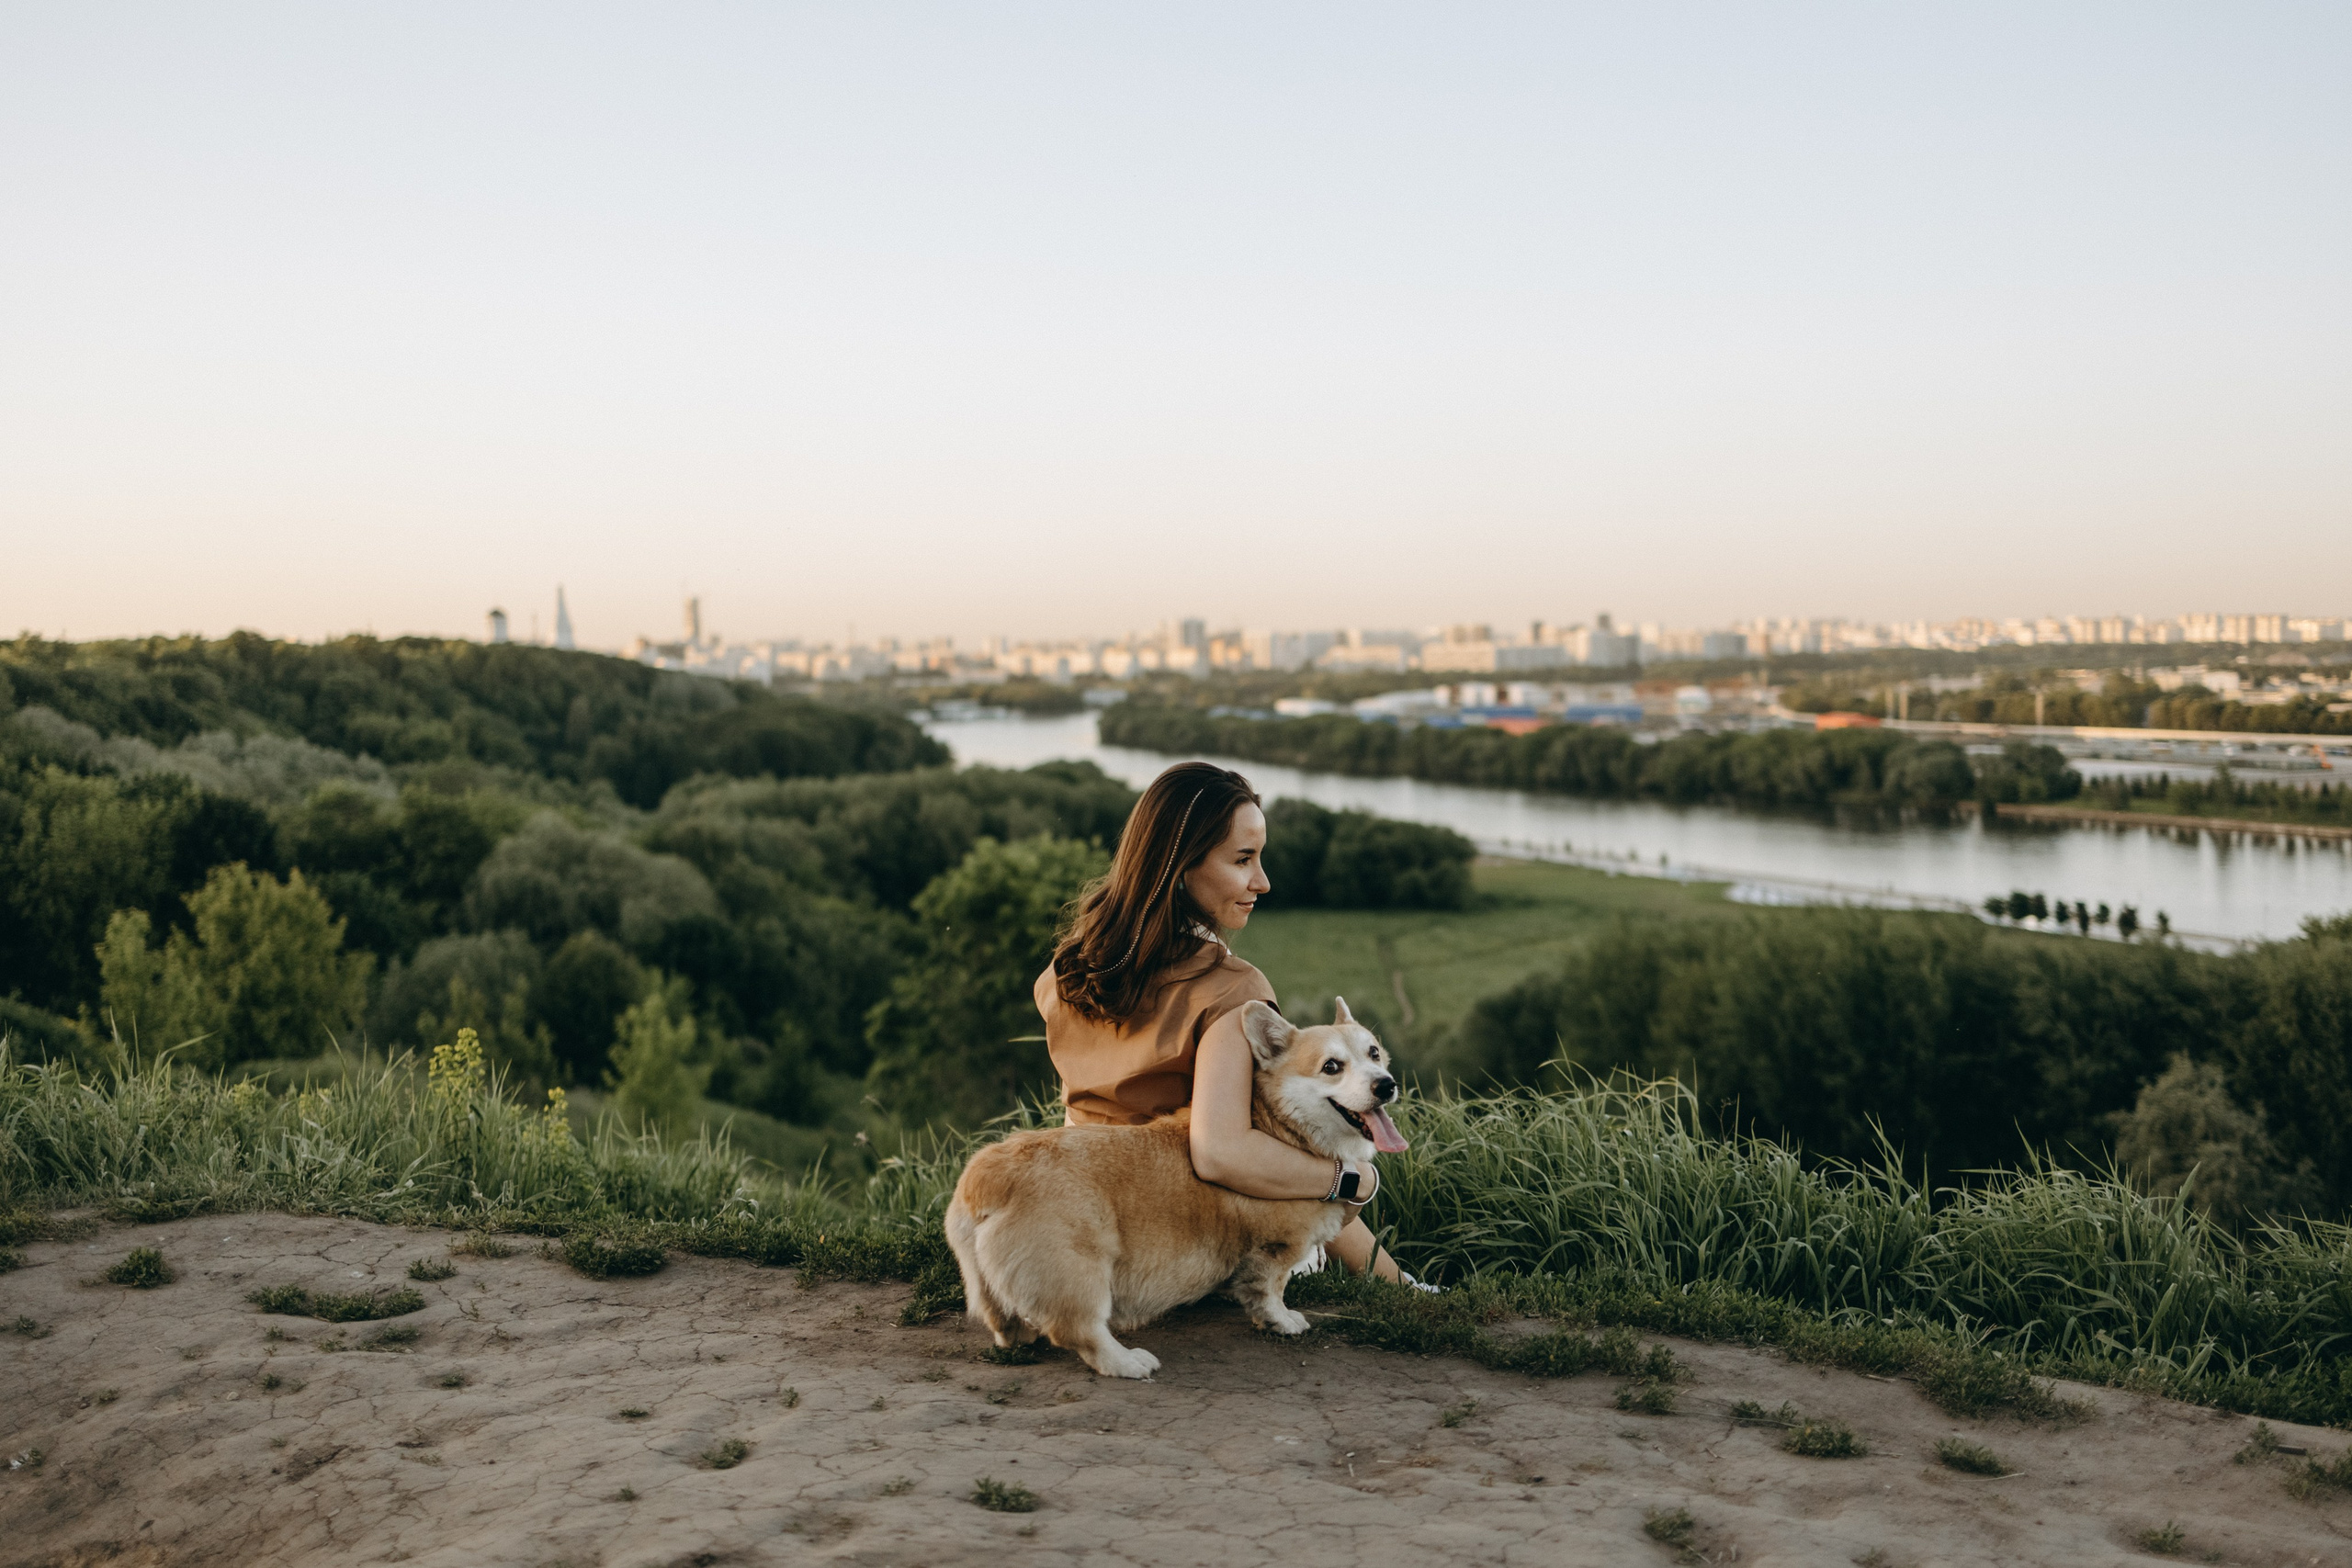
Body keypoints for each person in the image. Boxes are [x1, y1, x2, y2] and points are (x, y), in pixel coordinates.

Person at [1035, 760, 1409, 1281]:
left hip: (1086, 1226)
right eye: (1243, 859)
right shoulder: (1233, 991)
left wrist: (1395, 1280)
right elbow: (1222, 1155)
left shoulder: (1068, 969)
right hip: (1194, 1241)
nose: (1263, 881)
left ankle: (1401, 1284)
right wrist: (1352, 1181)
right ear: (1180, 866)